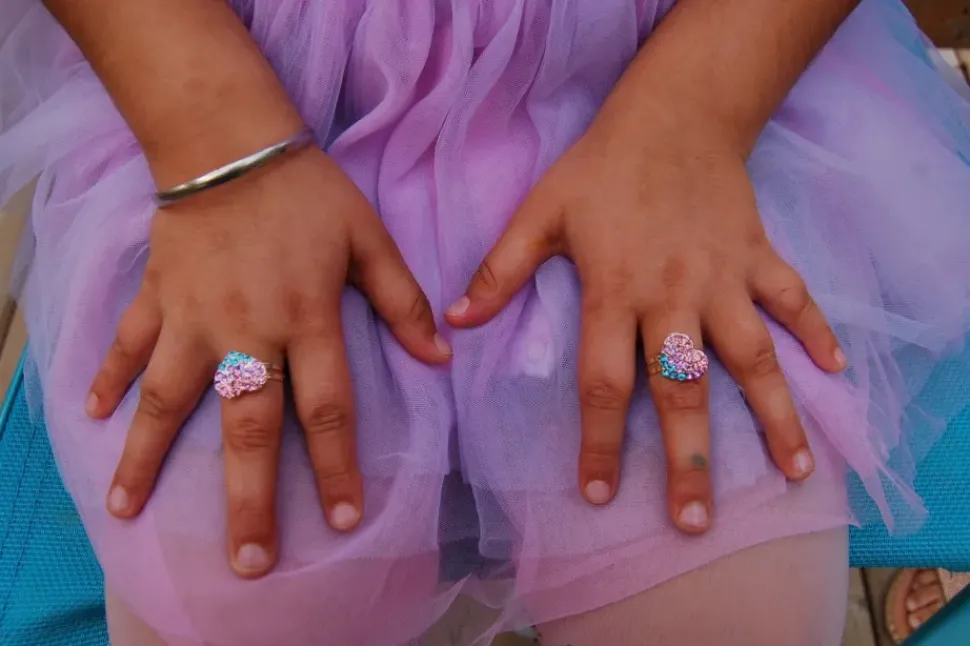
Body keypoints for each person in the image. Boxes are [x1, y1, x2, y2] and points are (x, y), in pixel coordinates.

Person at [1, 0, 968, 644]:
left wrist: (693, 116)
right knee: (238, 578)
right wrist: (216, 146)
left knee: (722, 587)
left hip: (678, 78)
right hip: (224, 92)